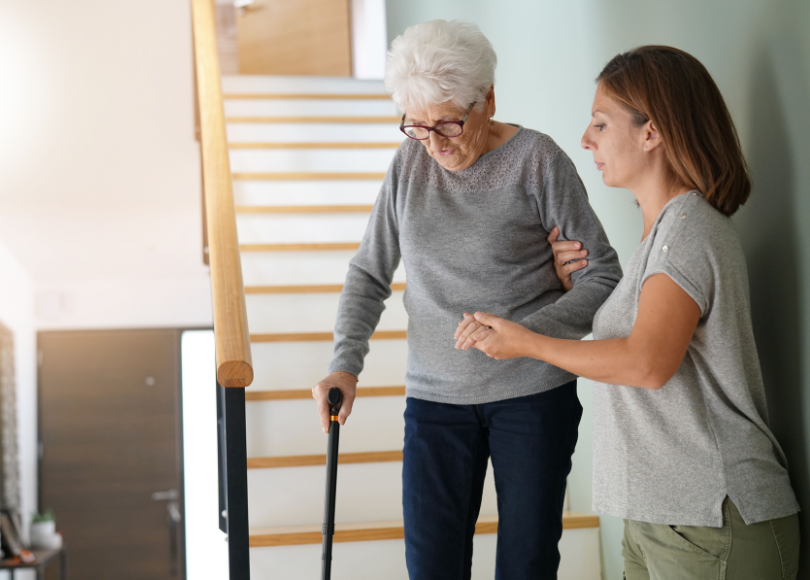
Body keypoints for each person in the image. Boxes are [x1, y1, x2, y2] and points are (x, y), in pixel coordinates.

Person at [464, 46, 801, 579]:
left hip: (711, 517)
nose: (585, 139)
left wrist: (524, 342)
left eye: (601, 123)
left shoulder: (688, 230)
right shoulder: (661, 235)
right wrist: (565, 286)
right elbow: (638, 335)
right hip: (664, 519)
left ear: (652, 132)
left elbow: (646, 362)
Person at [311, 19, 622, 580]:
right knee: (431, 566)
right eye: (418, 127)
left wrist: (527, 334)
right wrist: (344, 363)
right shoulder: (410, 165)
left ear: (489, 100)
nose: (435, 143)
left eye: (449, 124)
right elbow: (368, 271)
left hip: (532, 397)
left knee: (526, 565)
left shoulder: (538, 161)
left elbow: (602, 274)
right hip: (434, 400)